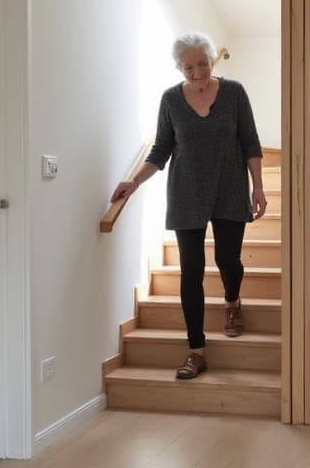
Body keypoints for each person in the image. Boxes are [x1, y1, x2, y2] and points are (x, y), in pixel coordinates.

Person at [110, 32, 266, 380]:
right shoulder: (170, 100)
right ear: (179, 67)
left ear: (212, 61)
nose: (197, 72)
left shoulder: (234, 92)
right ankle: (196, 350)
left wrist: (259, 187)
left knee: (228, 259)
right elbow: (161, 150)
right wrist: (133, 182)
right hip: (186, 192)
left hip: (229, 187)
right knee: (191, 271)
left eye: (203, 64)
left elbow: (251, 142)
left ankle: (232, 302)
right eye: (188, 67)